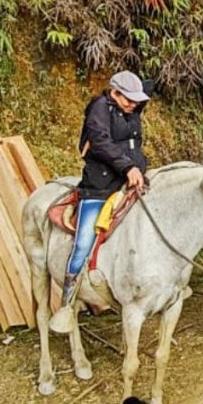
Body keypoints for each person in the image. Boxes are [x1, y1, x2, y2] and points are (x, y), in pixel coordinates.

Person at [49, 70, 151, 333]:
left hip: (128, 183)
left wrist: (138, 169)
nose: (133, 104)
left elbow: (133, 145)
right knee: (83, 242)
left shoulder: (132, 111)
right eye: (128, 99)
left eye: (136, 101)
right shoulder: (99, 108)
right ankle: (67, 304)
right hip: (100, 186)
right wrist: (128, 167)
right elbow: (101, 142)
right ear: (114, 92)